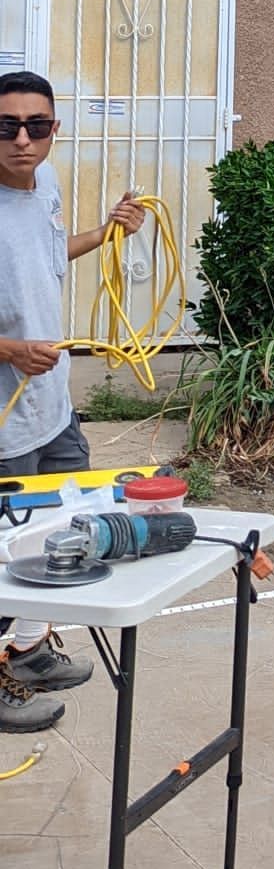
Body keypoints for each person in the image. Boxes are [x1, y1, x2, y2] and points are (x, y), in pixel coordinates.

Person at [0, 70, 145, 734]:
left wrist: (109, 231)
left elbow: (51, 255)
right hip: (4, 424)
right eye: (7, 126)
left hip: (51, 408)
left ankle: (27, 651)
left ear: (54, 131)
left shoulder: (47, 187)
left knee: (61, 531)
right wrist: (9, 351)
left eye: (36, 126)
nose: (21, 139)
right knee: (4, 555)